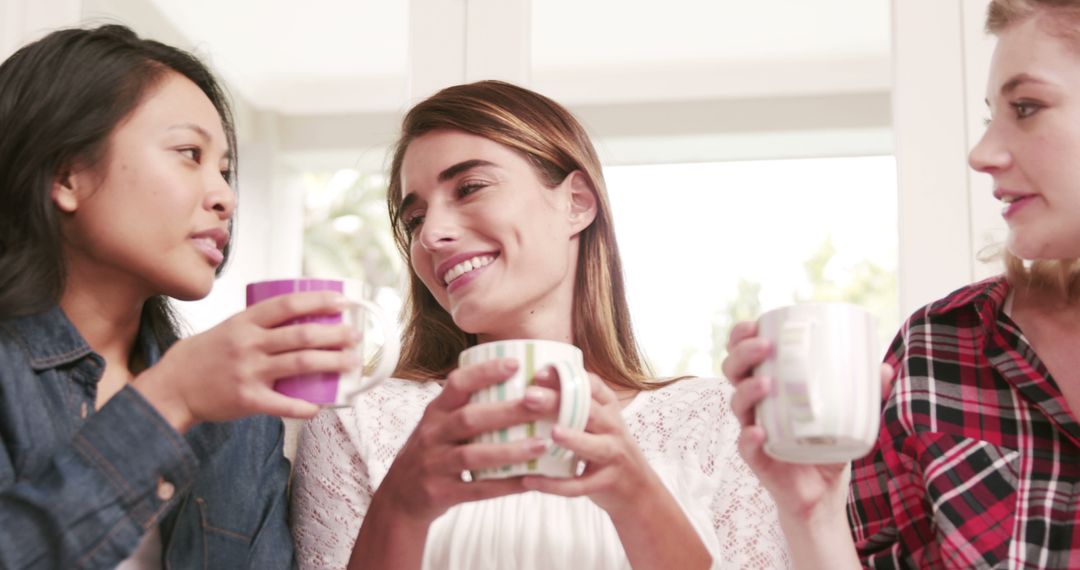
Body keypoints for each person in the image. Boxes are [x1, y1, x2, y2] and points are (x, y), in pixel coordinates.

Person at [289, 80, 790, 569]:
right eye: (415, 219)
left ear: (577, 203)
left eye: (469, 188)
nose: (433, 234)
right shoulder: (358, 418)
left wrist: (638, 498)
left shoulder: (715, 421)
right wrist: (399, 505)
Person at [722, 0, 1080, 567]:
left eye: (1027, 107)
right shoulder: (941, 350)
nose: (981, 153)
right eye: (992, 116)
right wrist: (813, 514)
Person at [0, 25, 359, 568]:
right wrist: (171, 402)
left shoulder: (240, 418)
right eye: (188, 153)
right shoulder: (191, 392)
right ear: (65, 173)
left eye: (225, 171)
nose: (225, 198)